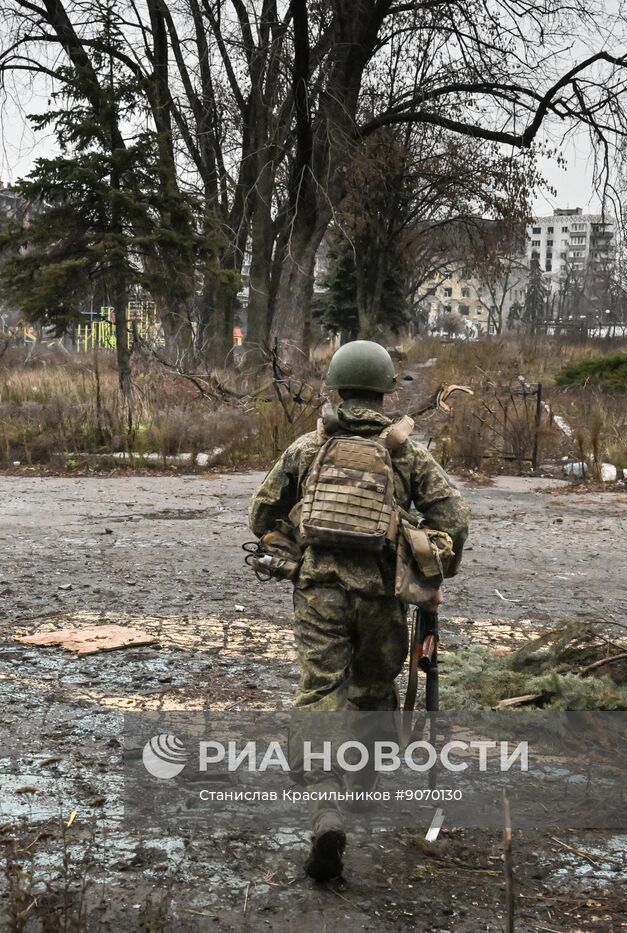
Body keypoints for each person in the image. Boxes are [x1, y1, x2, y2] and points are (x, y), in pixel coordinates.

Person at [248, 339, 470, 882]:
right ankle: (366, 788)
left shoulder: (307, 448)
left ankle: (326, 806)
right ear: (387, 392)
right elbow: (455, 518)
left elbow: (260, 515)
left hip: (318, 589)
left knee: (323, 688)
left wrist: (294, 541)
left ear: (336, 389)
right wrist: (431, 565)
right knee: (373, 686)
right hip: (382, 594)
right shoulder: (404, 451)